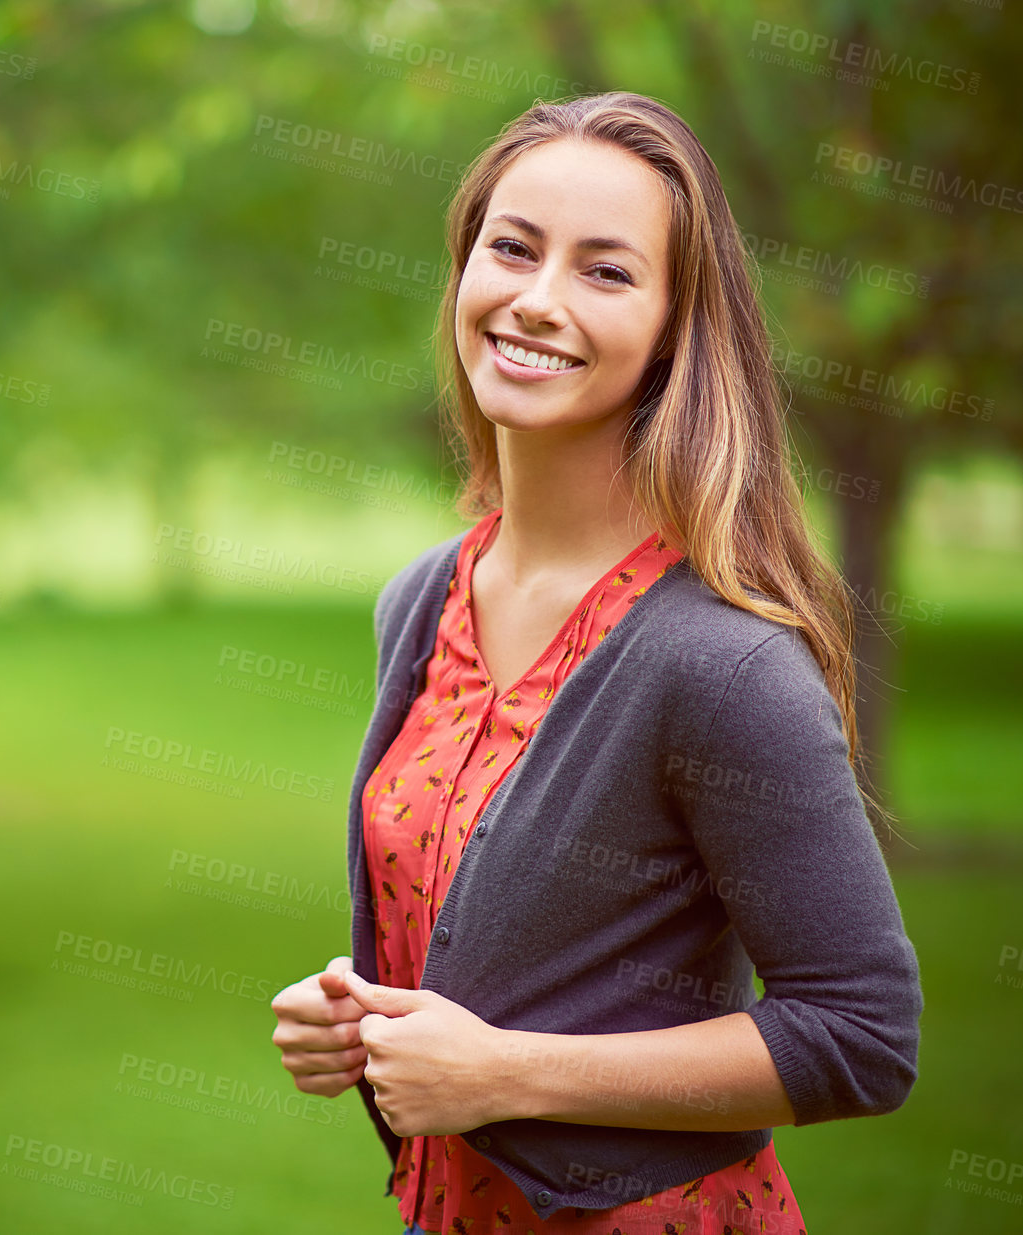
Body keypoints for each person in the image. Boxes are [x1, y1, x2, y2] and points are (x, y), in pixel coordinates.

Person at [268, 91, 922, 1235]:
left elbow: (861, 1034)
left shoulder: (721, 664)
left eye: (606, 272)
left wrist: (505, 1070)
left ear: (676, 328)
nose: (536, 299)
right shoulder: (423, 601)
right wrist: (368, 1013)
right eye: (512, 249)